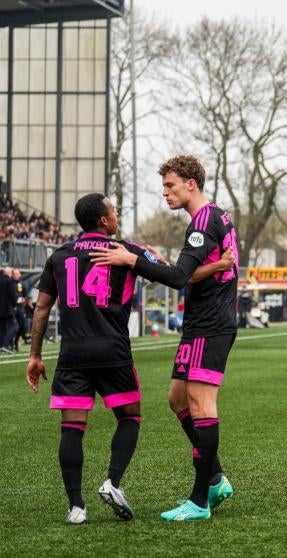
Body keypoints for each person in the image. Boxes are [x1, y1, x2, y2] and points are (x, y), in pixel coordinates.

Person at [25, 193, 231, 524]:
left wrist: (35, 355)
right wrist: (218, 266)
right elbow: (176, 274)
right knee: (130, 417)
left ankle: (76, 507)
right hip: (113, 351)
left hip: (73, 353)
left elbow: (42, 308)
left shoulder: (59, 255)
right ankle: (113, 482)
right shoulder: (128, 250)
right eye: (114, 211)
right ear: (104, 221)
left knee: (71, 428)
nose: (117, 214)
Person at [91, 155, 240, 521]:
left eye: (170, 185)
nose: (165, 193)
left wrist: (132, 261)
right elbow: (187, 274)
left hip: (211, 324)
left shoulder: (202, 224)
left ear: (191, 183)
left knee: (202, 405)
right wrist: (182, 268)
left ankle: (200, 499)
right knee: (177, 399)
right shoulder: (214, 216)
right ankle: (217, 476)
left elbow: (177, 278)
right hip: (200, 324)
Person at [0, 267, 16, 353]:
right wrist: (15, 305)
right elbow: (12, 295)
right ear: (9, 273)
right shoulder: (9, 281)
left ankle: (2, 345)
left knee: (2, 328)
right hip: (7, 309)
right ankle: (6, 345)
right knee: (14, 325)